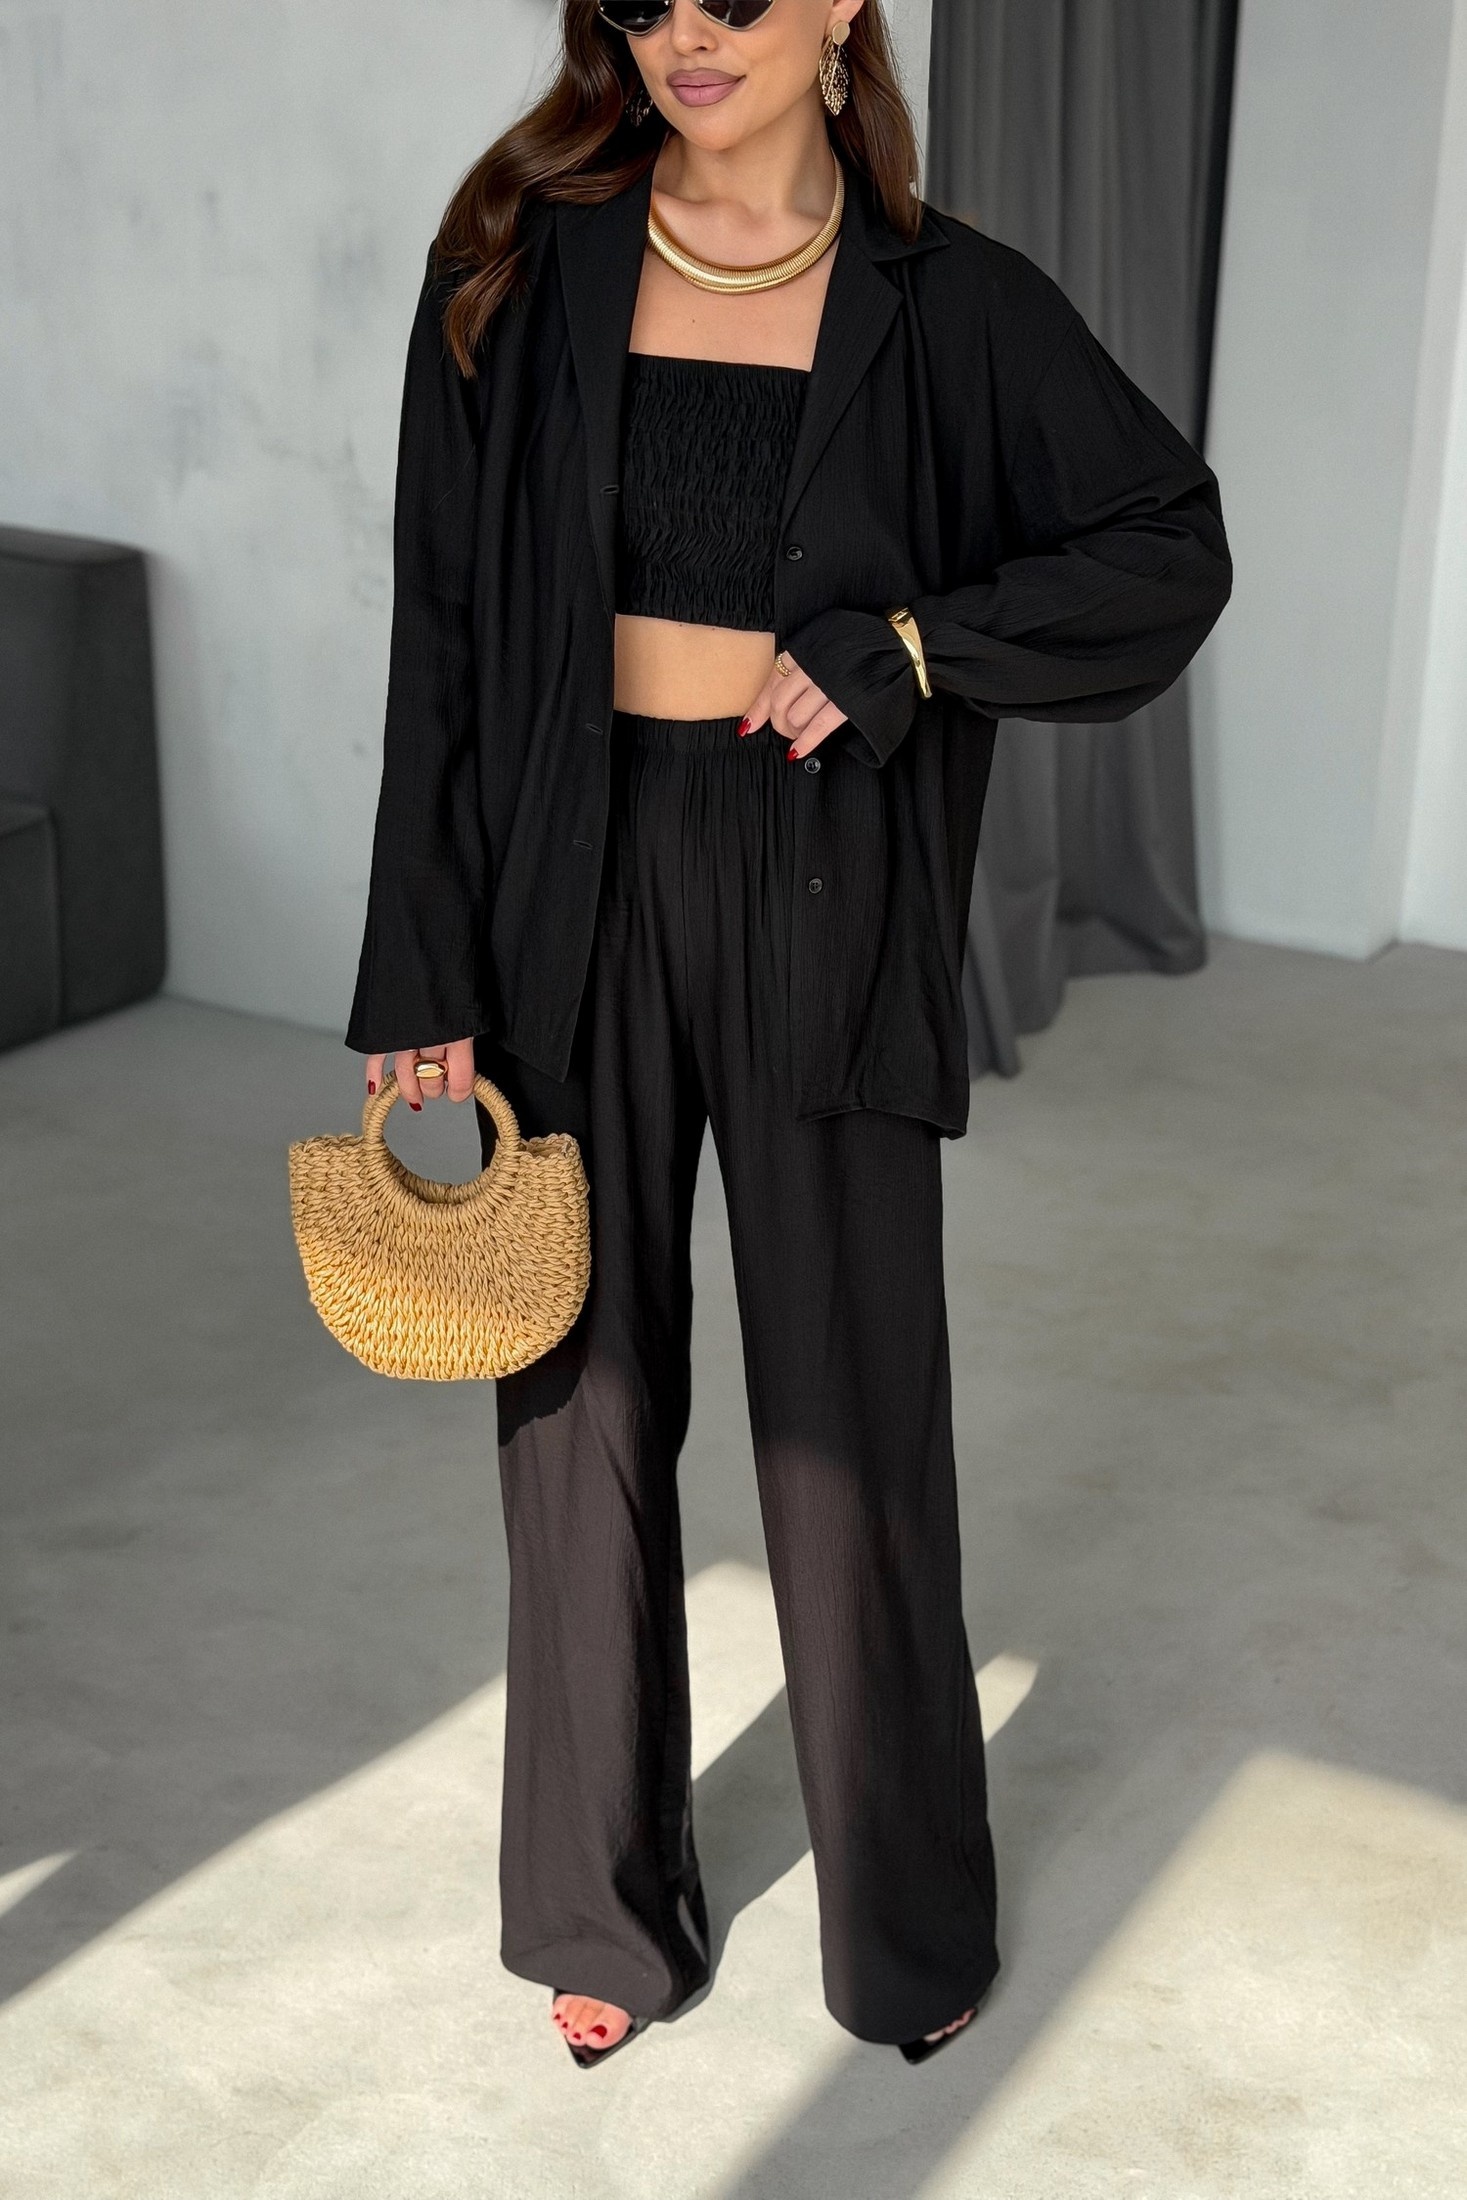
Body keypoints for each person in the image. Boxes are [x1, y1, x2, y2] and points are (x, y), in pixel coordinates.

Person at [345, 0, 1232, 2068]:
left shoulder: (952, 304)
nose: (685, 35)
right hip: (569, 879)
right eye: (643, 0)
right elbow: (441, 631)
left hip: (822, 880)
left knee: (854, 1420)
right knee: (573, 1411)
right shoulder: (514, 267)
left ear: (838, 0)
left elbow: (1162, 546)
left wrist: (916, 642)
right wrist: (420, 958)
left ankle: (903, 1927)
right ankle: (596, 1907)